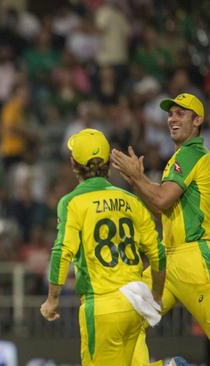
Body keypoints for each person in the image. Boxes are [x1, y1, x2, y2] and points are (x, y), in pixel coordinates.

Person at [41, 129, 166, 365]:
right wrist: (157, 295)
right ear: (109, 162)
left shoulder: (72, 202)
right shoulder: (131, 200)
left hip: (102, 305)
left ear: (73, 163)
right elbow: (157, 252)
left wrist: (52, 300)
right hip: (136, 301)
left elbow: (61, 252)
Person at [112, 93, 209, 366]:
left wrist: (137, 177)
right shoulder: (179, 157)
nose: (172, 119)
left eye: (181, 113)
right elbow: (162, 210)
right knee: (124, 320)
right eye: (170, 114)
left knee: (124, 323)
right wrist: (136, 181)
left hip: (196, 258)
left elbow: (162, 199)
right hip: (170, 260)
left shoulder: (192, 153)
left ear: (197, 120)